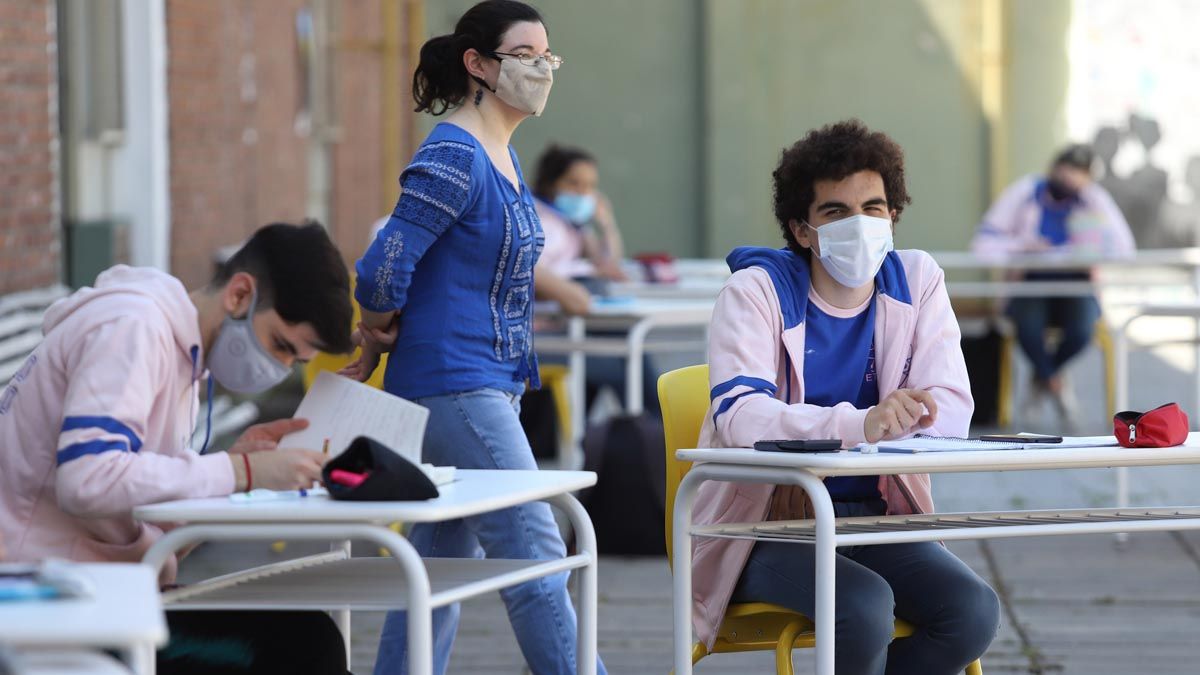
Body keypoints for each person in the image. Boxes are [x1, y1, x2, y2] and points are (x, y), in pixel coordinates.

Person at [342, 2, 607, 673]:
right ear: (479, 65)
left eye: (549, 56)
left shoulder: (502, 154)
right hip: (455, 384)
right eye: (526, 55)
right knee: (535, 550)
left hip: (480, 384)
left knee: (436, 567)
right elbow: (382, 266)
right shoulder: (456, 153)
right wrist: (378, 322)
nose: (543, 68)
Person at [695, 120, 1000, 675]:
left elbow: (951, 405)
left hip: (874, 517)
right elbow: (740, 416)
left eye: (875, 207)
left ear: (894, 216)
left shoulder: (917, 279)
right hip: (765, 527)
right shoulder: (756, 292)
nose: (859, 224)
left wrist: (907, 416)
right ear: (802, 229)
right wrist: (864, 424)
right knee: (862, 607)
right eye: (836, 211)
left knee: (972, 611)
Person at [0, 222, 355, 673]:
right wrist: (237, 473)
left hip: (104, 586)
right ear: (240, 295)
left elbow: (145, 523)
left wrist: (234, 470)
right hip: (51, 597)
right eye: (280, 345)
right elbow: (86, 478)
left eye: (294, 361)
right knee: (304, 647)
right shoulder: (133, 328)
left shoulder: (182, 357)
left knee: (311, 635)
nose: (279, 368)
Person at [971, 144, 1135, 419]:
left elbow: (1124, 248)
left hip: (1077, 280)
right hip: (1030, 278)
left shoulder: (1093, 199)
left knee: (1083, 330)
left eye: (1080, 172)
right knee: (1028, 328)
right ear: (1054, 168)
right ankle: (1055, 381)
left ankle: (1044, 377)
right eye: (1067, 169)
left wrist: (1088, 249)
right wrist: (1024, 246)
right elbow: (982, 245)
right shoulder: (1025, 192)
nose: (1070, 178)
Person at [530, 143, 660, 417]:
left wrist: (606, 223)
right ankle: (653, 435)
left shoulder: (570, 224)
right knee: (624, 364)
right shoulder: (537, 222)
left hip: (572, 326)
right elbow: (531, 278)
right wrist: (577, 280)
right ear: (551, 184)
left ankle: (653, 435)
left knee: (633, 351)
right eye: (573, 183)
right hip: (540, 335)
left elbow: (607, 262)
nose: (582, 193)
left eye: (590, 186)